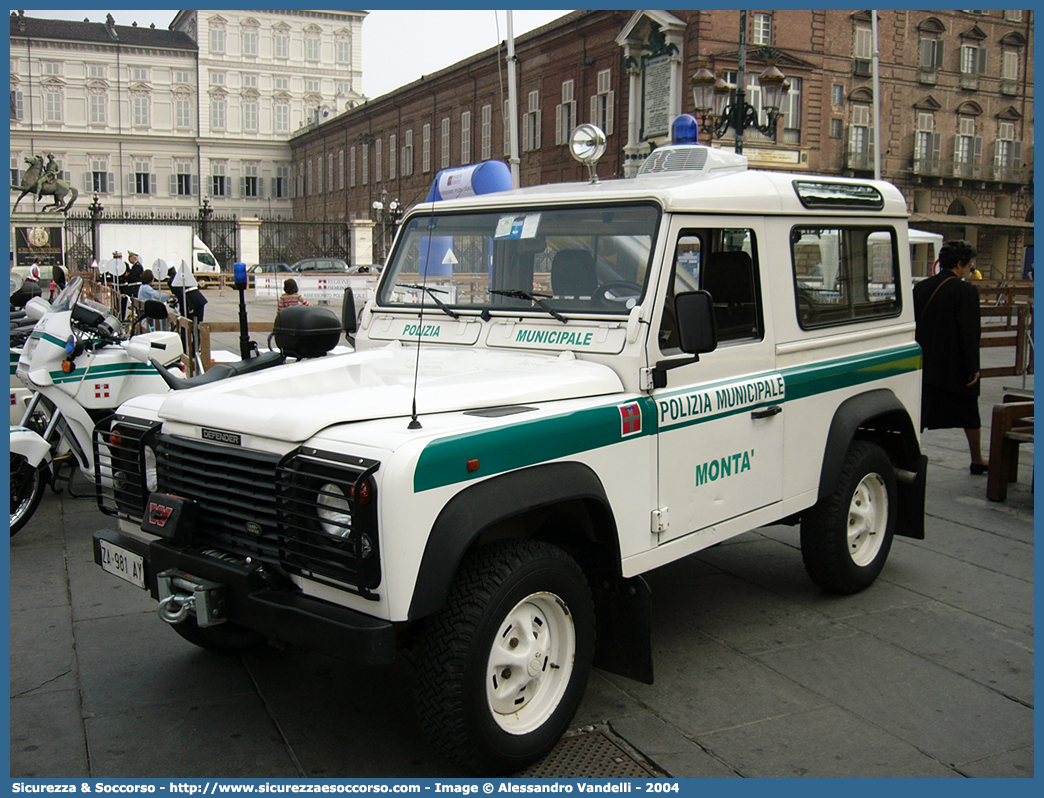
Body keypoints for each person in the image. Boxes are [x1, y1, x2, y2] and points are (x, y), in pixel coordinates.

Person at [913, 239, 987, 474]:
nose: (968, 270)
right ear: (959, 263)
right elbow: (969, 331)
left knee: (919, 414)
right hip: (953, 366)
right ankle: (977, 459)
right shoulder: (965, 291)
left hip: (925, 364)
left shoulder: (922, 287)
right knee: (969, 413)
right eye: (968, 265)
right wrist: (973, 365)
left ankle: (911, 456)